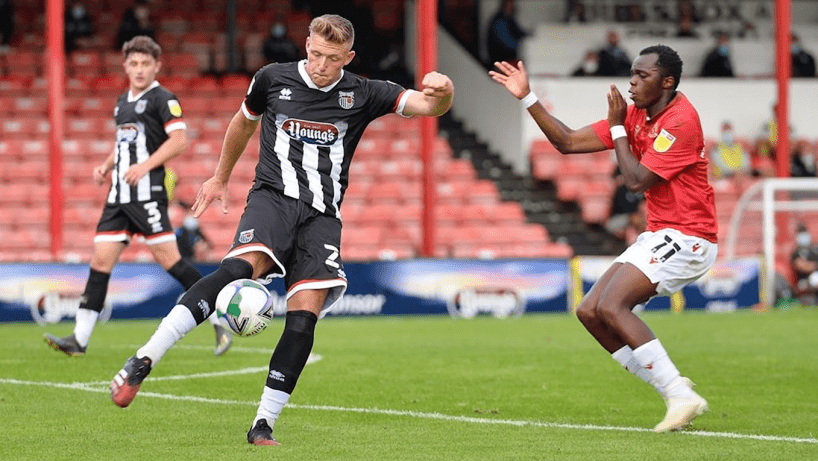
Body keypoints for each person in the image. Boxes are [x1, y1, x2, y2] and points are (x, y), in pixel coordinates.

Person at [109, 15, 454, 446]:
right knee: (236, 270)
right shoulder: (271, 79)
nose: (320, 64)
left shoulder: (363, 92)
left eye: (331, 58)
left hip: (322, 217)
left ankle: (262, 424)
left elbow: (428, 107)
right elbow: (242, 123)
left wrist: (444, 94)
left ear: (348, 58)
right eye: (314, 53)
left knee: (304, 318)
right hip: (272, 199)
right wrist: (220, 177)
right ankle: (143, 359)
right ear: (305, 44)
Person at [490, 44, 717, 432]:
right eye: (632, 72)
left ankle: (678, 393)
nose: (632, 81)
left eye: (642, 75)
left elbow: (634, 182)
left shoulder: (680, 121)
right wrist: (527, 96)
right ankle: (675, 390)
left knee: (613, 306)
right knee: (590, 312)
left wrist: (616, 128)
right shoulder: (633, 116)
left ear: (667, 82)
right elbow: (565, 142)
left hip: (690, 236)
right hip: (661, 234)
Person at [44, 36, 232, 358]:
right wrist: (106, 165)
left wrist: (145, 166)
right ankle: (79, 338)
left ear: (157, 66)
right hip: (118, 196)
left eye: (146, 63)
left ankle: (217, 319)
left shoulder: (163, 98)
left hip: (146, 197)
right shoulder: (122, 102)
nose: (139, 69)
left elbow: (180, 140)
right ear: (125, 66)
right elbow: (124, 145)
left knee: (172, 262)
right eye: (134, 63)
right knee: (100, 261)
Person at [486, 0, 529, 66]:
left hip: (507, 59)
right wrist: (523, 46)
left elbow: (519, 32)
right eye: (510, 4)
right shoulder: (499, 21)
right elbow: (508, 42)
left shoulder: (509, 19)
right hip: (501, 60)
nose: (512, 6)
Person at [791, 223, 818, 305]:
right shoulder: (796, 253)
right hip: (805, 279)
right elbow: (803, 266)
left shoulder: (814, 250)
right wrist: (815, 265)